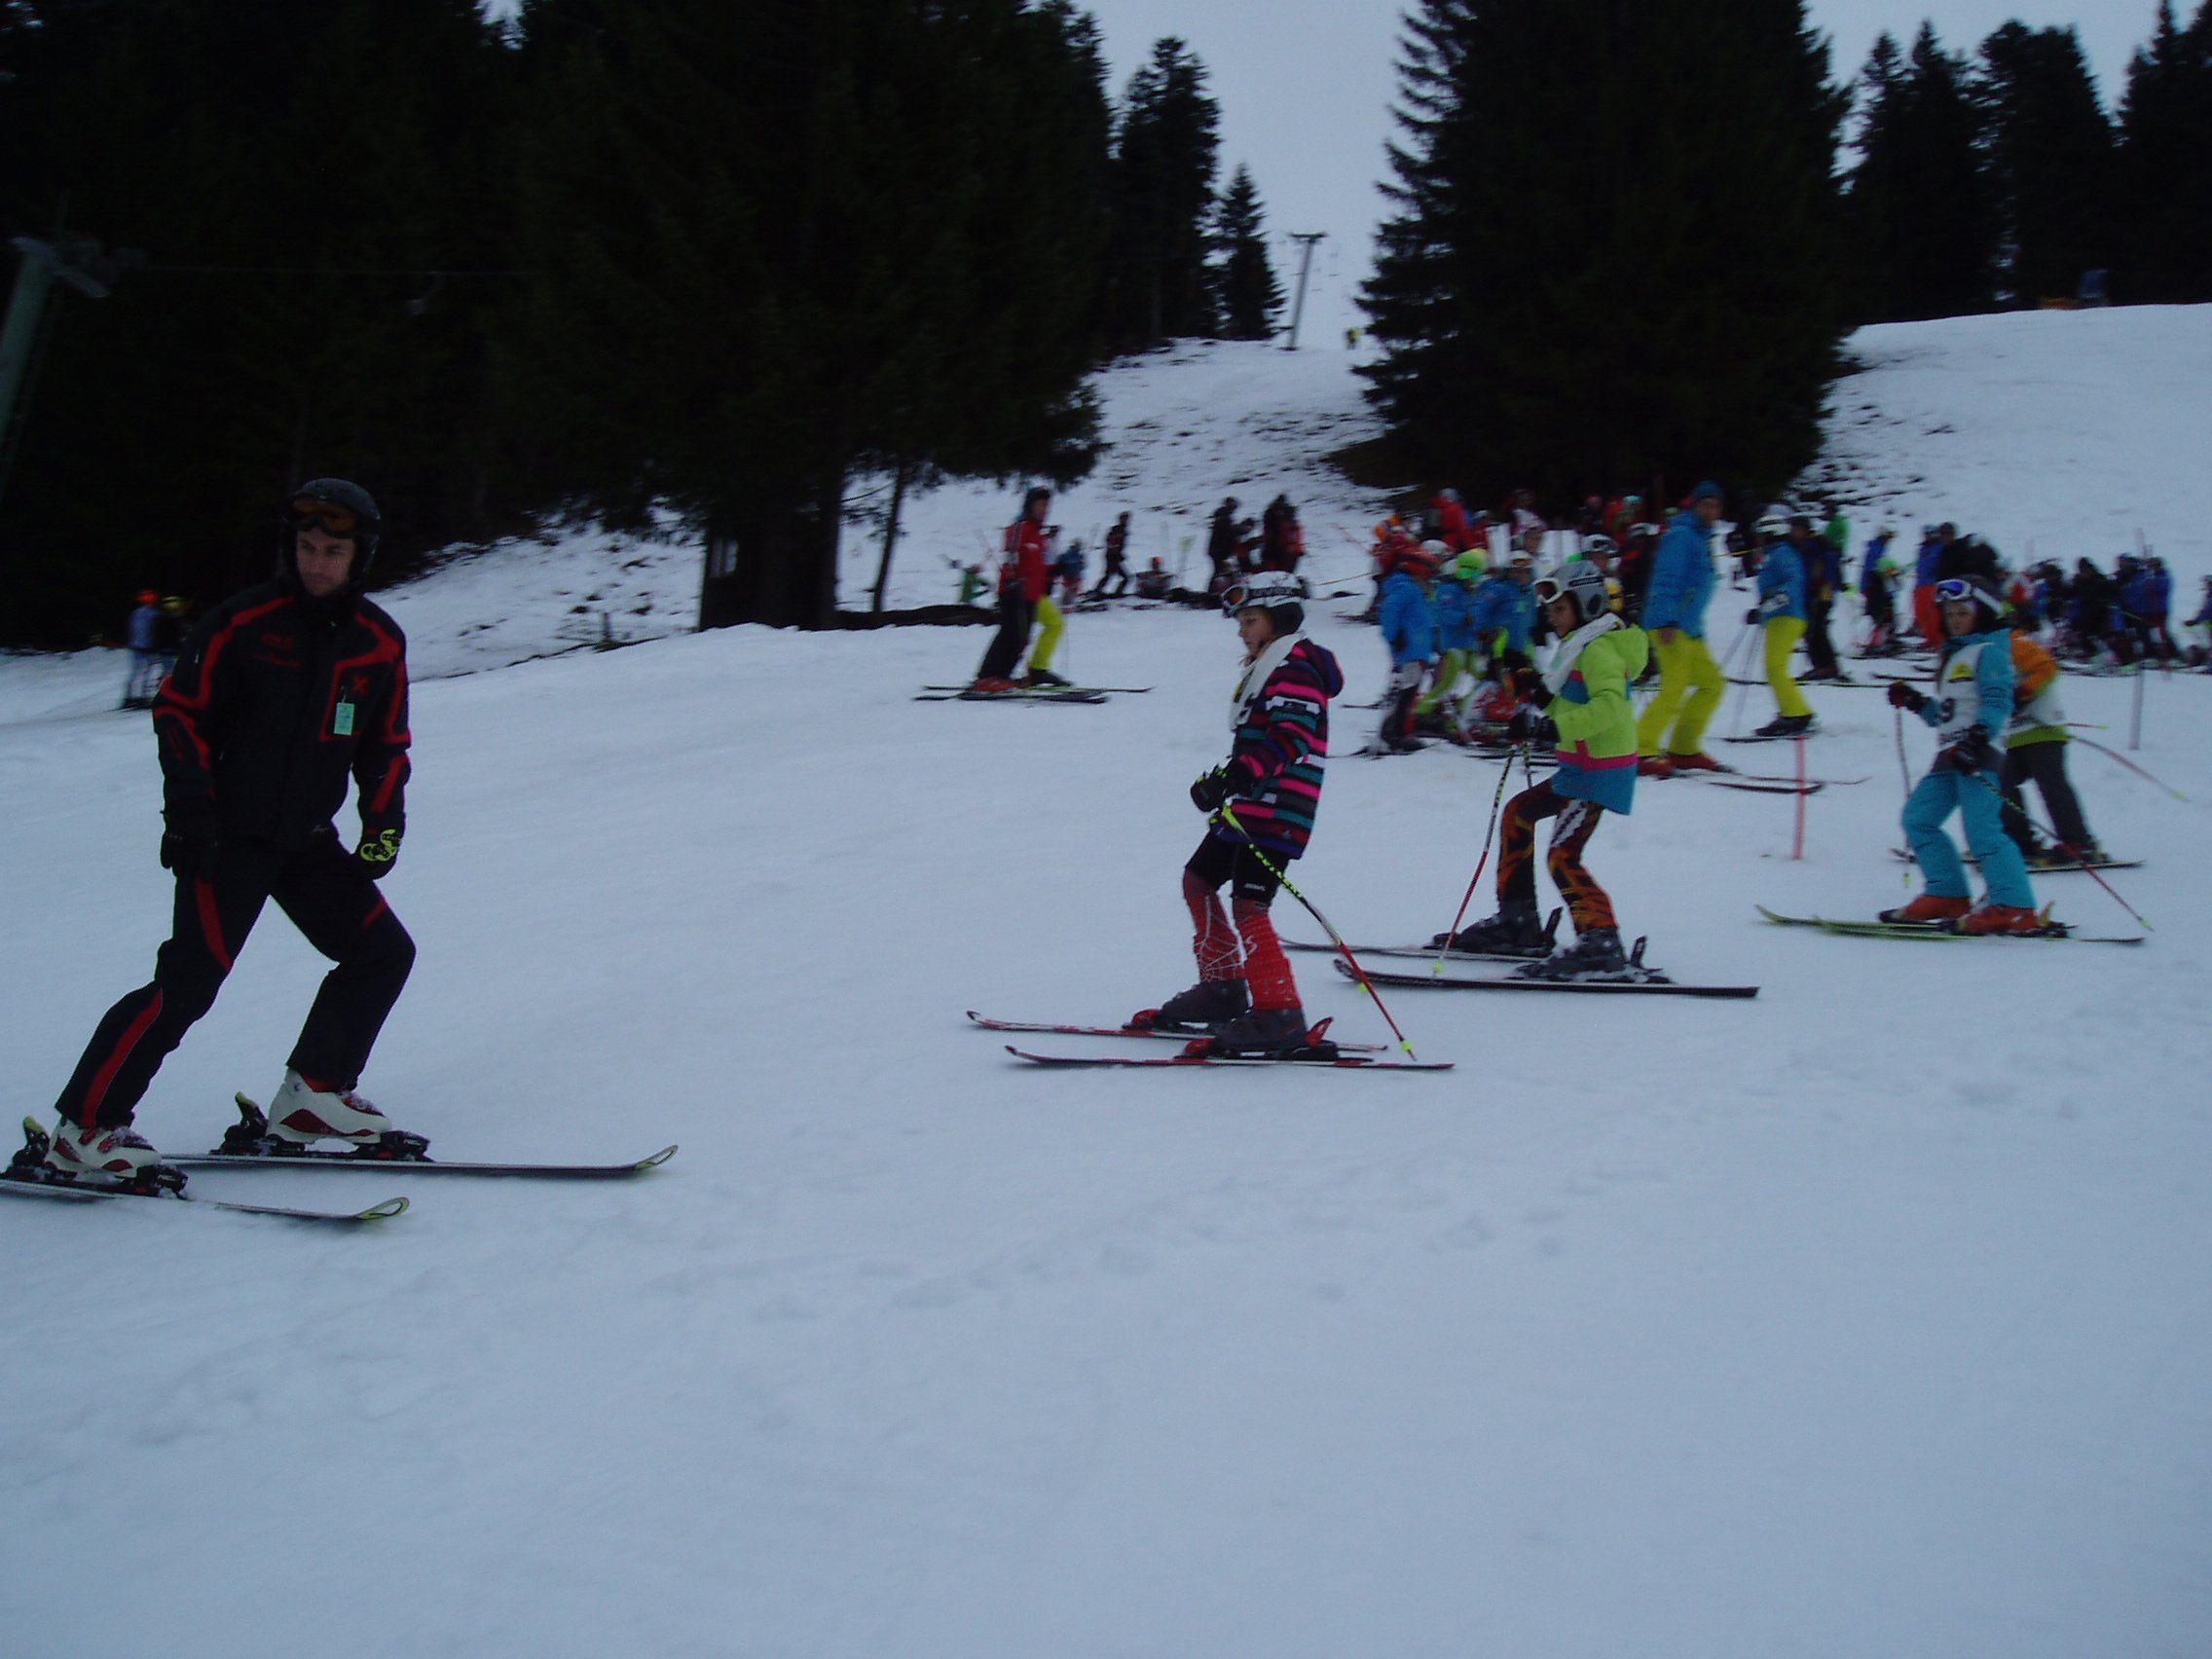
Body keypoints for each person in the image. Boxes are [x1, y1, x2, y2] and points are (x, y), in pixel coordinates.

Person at [38, 480, 417, 1187]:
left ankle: (314, 1098)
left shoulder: (377, 642)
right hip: (226, 841)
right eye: (307, 546)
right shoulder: (244, 622)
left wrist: (384, 820)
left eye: (333, 551)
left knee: (381, 953)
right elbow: (180, 714)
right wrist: (188, 813)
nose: (317, 562)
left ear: (358, 557)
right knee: (188, 983)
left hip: (307, 842)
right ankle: (83, 1129)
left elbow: (385, 743)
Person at [1143, 572, 1345, 1053]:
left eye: (1250, 620)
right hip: (1251, 806)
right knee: (1198, 880)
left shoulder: (1296, 668)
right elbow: (1261, 741)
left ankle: (1280, 1013)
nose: (1242, 630)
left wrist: (1238, 776)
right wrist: (1224, 780)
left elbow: (1292, 737)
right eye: (1241, 621)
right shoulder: (1272, 668)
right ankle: (1224, 987)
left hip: (1279, 810)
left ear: (1280, 619)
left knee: (1250, 905)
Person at [1436, 563, 1647, 977]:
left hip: (1598, 771)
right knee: (1518, 813)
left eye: (1560, 610)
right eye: (1550, 611)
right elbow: (1567, 702)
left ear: (1587, 605)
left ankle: (1601, 940)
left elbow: (1610, 707)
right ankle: (1519, 922)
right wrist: (1532, 690)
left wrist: (1549, 728)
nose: (1553, 618)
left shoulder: (1600, 649)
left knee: (1563, 856)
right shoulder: (1579, 646)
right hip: (1578, 768)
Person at [1883, 574, 2041, 934]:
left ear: (1983, 612)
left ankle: (2015, 905)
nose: (1955, 620)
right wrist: (1916, 701)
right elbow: (1947, 715)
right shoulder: (1956, 656)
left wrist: (1978, 739)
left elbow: (1999, 702)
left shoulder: (1991, 650)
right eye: (1950, 613)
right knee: (1918, 818)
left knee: (1982, 830)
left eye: (1963, 612)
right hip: (1950, 755)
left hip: (1978, 754)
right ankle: (1948, 893)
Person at [1636, 480, 1728, 777]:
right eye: (1706, 504)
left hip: (1690, 628)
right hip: (1670, 624)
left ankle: (1684, 748)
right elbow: (1666, 579)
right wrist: (1666, 619)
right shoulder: (1681, 535)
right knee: (1675, 687)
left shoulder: (1702, 539)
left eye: (1716, 506)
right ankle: (1640, 748)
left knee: (1712, 685)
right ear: (1695, 506)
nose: (1711, 511)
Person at [1998, 616, 2103, 867]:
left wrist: (2024, 692)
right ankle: (2020, 841)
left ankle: (2078, 842)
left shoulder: (2014, 642)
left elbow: (2047, 668)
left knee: (2051, 785)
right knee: (2001, 784)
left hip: (2042, 730)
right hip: (2012, 736)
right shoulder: (1984, 653)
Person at [973, 487, 1052, 690]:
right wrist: (1011, 579)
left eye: (1047, 505)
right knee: (1010, 633)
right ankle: (988, 676)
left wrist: (1050, 581)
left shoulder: (1040, 535)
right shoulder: (1020, 528)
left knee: (1022, 638)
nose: (1045, 509)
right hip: (1014, 591)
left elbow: (1040, 566)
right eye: (1041, 504)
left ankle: (1002, 676)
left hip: (1031, 594)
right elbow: (1010, 557)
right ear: (1030, 506)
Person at [1748, 515, 1815, 737]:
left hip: (1787, 616)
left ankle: (1795, 714)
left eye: (1761, 535)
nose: (1758, 540)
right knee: (1775, 668)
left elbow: (1790, 587)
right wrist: (1761, 610)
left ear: (1772, 533)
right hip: (1779, 617)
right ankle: (1796, 712)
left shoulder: (1783, 553)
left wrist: (1764, 608)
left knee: (1775, 668)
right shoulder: (1776, 554)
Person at [1377, 541, 1441, 753]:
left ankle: (1400, 730)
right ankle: (1396, 733)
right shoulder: (1406, 587)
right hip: (1409, 649)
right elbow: (1389, 611)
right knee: (1406, 691)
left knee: (1411, 691)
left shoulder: (1418, 589)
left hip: (1418, 648)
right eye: (1428, 567)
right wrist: (1394, 637)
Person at [1418, 548, 1485, 736]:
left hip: (1470, 644)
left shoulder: (1473, 591)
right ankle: (1422, 711)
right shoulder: (1448, 589)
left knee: (1483, 677)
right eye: (1470, 576)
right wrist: (1464, 619)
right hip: (1453, 644)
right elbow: (1444, 614)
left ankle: (1462, 708)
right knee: (1448, 681)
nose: (1472, 580)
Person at [1790, 515, 1846, 681]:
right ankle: (1822, 666)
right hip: (1812, 594)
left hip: (1821, 593)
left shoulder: (1815, 544)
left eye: (1796, 529)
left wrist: (1819, 586)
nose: (1794, 532)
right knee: (1811, 630)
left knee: (1817, 629)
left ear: (1804, 529)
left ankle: (1827, 666)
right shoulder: (1804, 545)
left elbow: (1823, 566)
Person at [121, 589, 165, 708]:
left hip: (136, 646)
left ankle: (130, 696)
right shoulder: (155, 614)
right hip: (148, 647)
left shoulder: (136, 614)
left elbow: (132, 629)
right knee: (147, 672)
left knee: (136, 672)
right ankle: (143, 696)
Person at [1091, 512, 1132, 599]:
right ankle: (1111, 593)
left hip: (1113, 556)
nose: (1127, 521)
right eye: (1125, 519)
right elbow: (1113, 544)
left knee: (1110, 575)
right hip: (1112, 557)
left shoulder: (1121, 530)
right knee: (1123, 577)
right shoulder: (1118, 530)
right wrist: (1118, 553)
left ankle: (1098, 590)